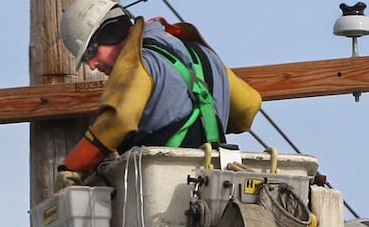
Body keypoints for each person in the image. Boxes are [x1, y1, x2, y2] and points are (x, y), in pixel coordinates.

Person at [57, 0, 258, 187]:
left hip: (168, 191)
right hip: (220, 183)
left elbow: (119, 120)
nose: (92, 65)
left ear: (110, 32)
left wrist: (73, 167)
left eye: (91, 52)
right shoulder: (202, 54)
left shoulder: (136, 64)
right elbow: (248, 107)